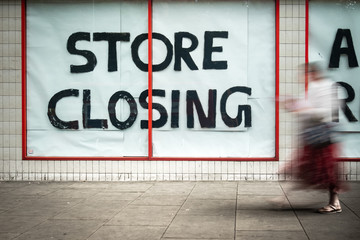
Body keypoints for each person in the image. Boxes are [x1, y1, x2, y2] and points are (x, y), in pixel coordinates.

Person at [282, 62, 347, 214]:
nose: (301, 77)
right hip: (316, 134)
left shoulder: (325, 86)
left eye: (304, 73)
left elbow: (325, 111)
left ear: (312, 73)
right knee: (320, 168)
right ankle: (334, 202)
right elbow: (309, 108)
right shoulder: (313, 86)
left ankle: (334, 203)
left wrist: (302, 109)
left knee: (327, 169)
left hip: (323, 134)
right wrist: (295, 106)